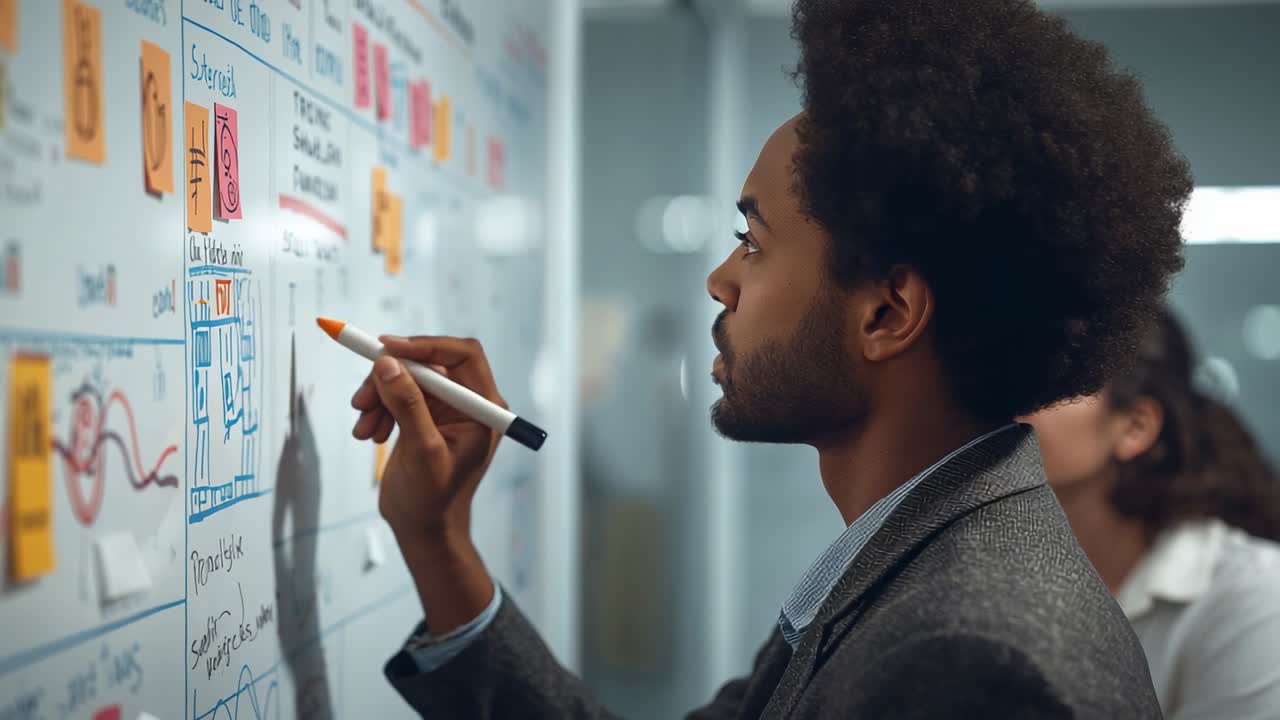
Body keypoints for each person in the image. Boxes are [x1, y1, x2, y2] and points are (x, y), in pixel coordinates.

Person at [347, 0, 1191, 716]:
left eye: (752, 243)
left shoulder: (966, 657)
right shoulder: (919, 564)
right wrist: (435, 538)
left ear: (887, 313)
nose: (719, 282)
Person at [1026, 307, 1280, 719]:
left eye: (1052, 383)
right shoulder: (983, 568)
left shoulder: (1254, 600)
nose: (1010, 410)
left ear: (1135, 426)